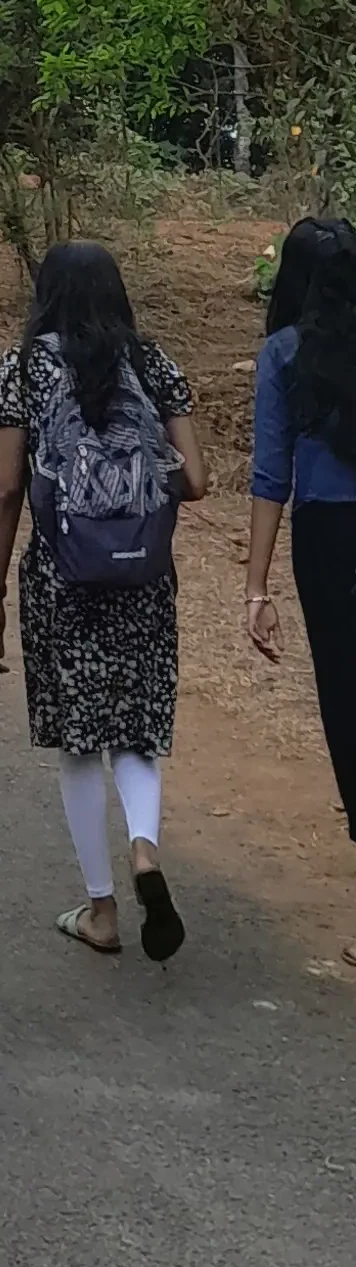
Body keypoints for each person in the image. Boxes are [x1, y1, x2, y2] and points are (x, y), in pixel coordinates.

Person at [0, 240, 205, 961]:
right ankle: (144, 852)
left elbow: (8, 490)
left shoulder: (24, 368)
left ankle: (102, 909)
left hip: (61, 578)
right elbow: (196, 479)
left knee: (79, 744)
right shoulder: (152, 361)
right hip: (143, 577)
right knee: (135, 730)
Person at [246, 216, 356, 856]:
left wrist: (257, 589)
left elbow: (270, 476)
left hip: (328, 539)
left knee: (344, 701)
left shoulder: (284, 353)